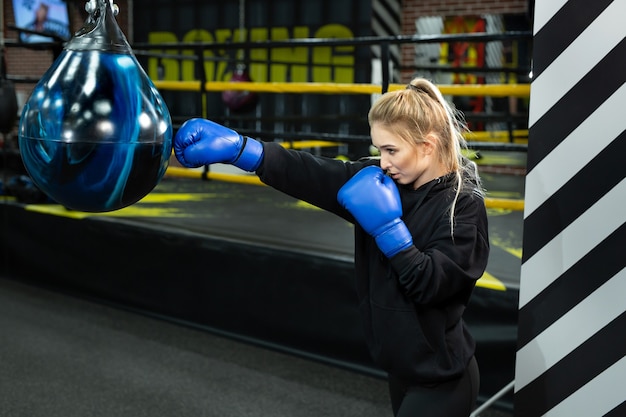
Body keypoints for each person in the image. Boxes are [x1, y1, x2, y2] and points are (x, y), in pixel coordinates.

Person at [173, 77, 490, 416]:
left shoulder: (462, 206)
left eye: (391, 150)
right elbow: (310, 174)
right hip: (401, 369)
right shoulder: (381, 179)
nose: (383, 162)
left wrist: (389, 230)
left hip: (442, 379)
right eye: (379, 150)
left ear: (427, 146)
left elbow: (431, 285)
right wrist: (243, 150)